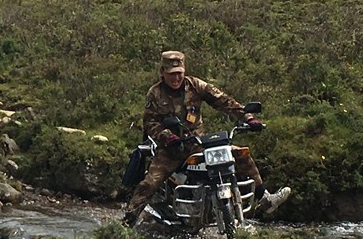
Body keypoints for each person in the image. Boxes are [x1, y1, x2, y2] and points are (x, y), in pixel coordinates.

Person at [123, 50, 291, 226]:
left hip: (198, 143)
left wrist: (248, 118)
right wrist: (166, 136)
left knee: (241, 154)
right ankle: (127, 222)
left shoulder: (195, 85)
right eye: (171, 74)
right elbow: (150, 122)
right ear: (162, 72)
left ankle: (265, 198)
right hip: (171, 149)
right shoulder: (155, 93)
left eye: (179, 73)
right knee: (150, 183)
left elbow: (223, 100)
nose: (176, 78)